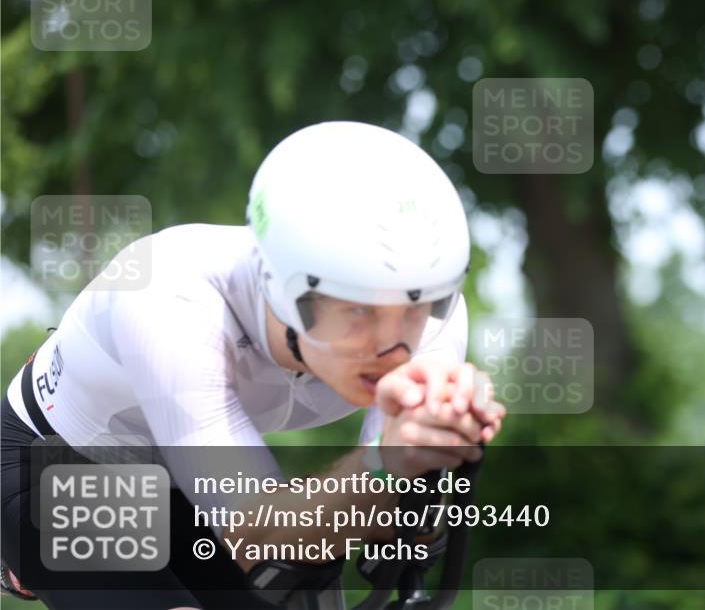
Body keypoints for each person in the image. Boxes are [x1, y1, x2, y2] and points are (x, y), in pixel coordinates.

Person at [0, 121, 506, 609]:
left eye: (416, 310)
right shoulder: (169, 296)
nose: (392, 346)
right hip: (59, 461)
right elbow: (258, 534)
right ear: (282, 287)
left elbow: (387, 523)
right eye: (357, 311)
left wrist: (433, 461)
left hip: (186, 487)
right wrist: (384, 463)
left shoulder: (435, 313)